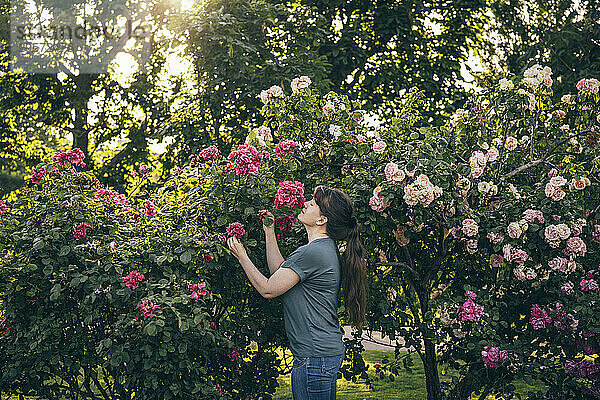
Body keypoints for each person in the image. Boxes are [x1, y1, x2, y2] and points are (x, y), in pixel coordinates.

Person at [227, 185, 367, 400]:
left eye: (314, 203)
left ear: (322, 220)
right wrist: (269, 231)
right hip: (320, 354)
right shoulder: (319, 249)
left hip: (315, 357)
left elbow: (267, 289)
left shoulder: (312, 252)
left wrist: (241, 256)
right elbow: (278, 274)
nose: (306, 203)